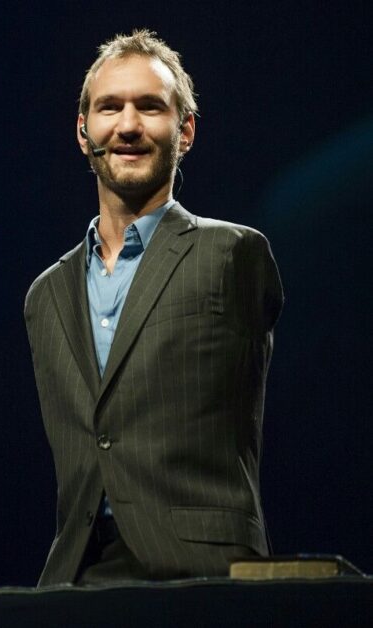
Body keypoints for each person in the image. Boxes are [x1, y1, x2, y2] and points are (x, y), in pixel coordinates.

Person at [25, 29, 284, 586]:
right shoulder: (44, 296)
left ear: (185, 130)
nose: (127, 125)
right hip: (76, 577)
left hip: (203, 573)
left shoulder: (233, 254)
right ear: (82, 132)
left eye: (150, 106)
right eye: (109, 107)